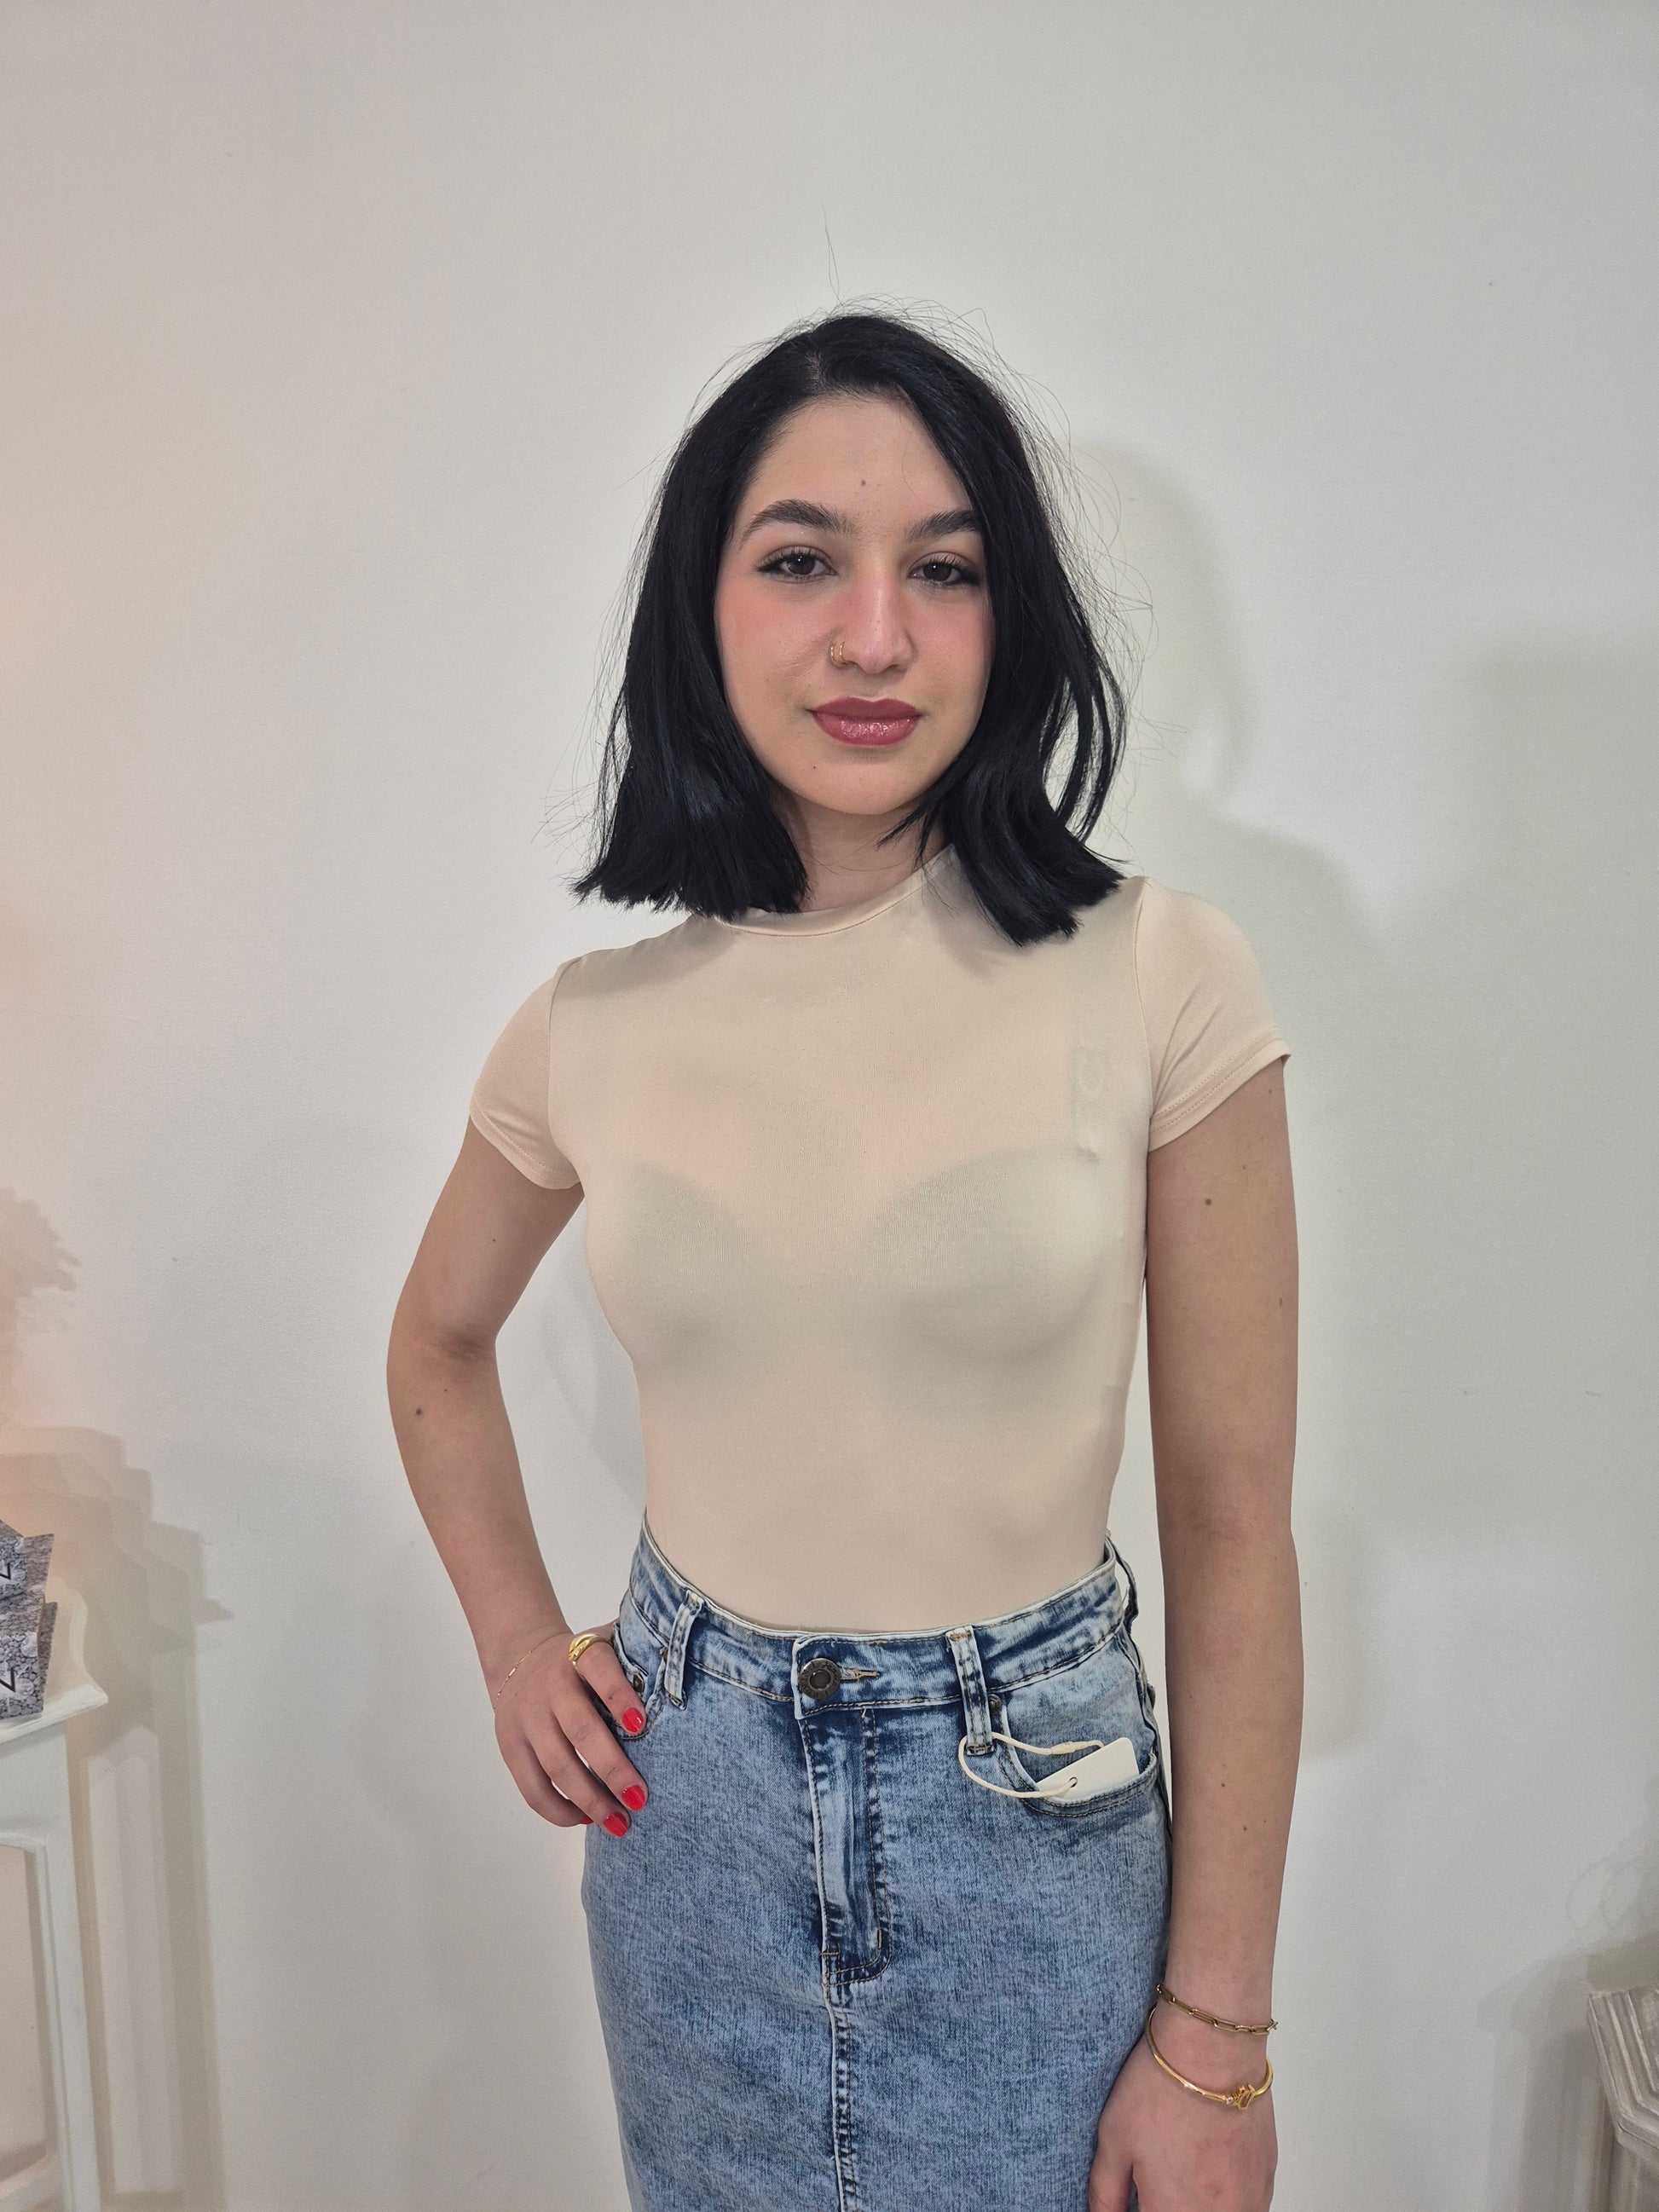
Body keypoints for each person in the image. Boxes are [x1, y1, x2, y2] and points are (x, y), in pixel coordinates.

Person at [386, 307, 1301, 2212]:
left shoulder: (1159, 973)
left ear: (1009, 615)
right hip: (688, 1828)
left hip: (1034, 1829)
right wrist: (514, 1641)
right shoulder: (591, 1024)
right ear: (702, 609)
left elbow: (1232, 1520)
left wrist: (1214, 2038)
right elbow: (436, 1346)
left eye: (942, 570)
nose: (874, 636)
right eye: (801, 560)